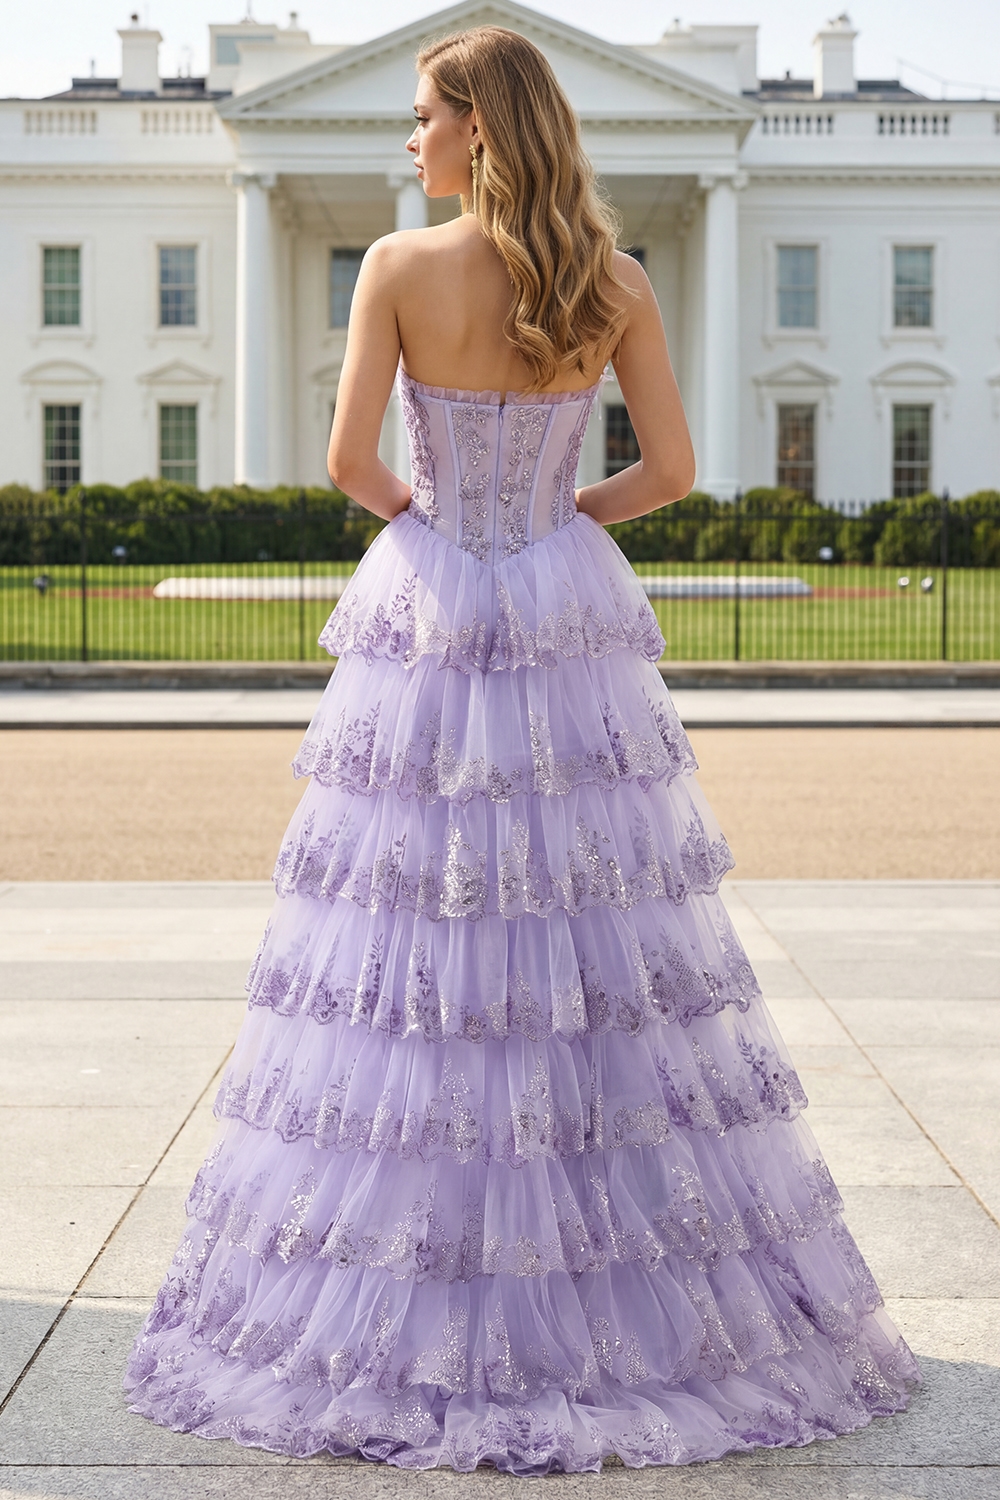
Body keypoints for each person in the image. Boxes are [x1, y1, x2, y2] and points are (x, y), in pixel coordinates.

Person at [124, 25, 919, 1474]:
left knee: (413, 935)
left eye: (422, 116)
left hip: (434, 609)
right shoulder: (610, 282)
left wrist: (444, 527)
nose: (407, 141)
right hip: (562, 602)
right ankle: (622, 1277)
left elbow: (351, 468)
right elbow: (672, 473)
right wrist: (557, 528)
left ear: (478, 130)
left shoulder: (397, 270)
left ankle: (420, 1260)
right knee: (594, 932)